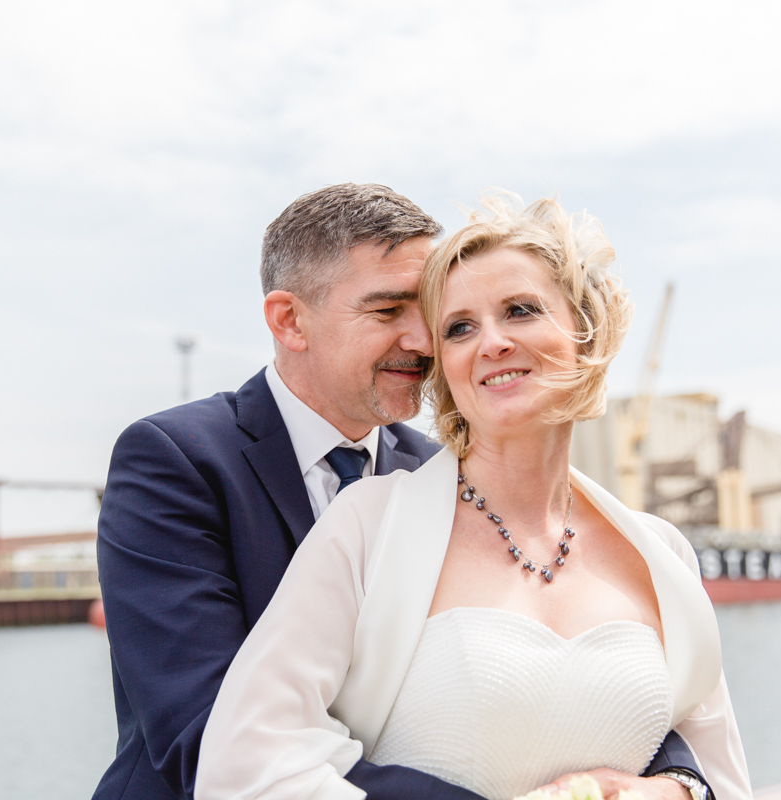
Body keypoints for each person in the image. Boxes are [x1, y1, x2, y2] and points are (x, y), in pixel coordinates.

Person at [93, 185, 712, 800]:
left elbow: (589, 686)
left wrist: (677, 784)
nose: (424, 343)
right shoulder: (176, 461)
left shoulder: (441, 478)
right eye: (389, 312)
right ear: (290, 321)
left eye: (429, 314)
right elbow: (207, 740)